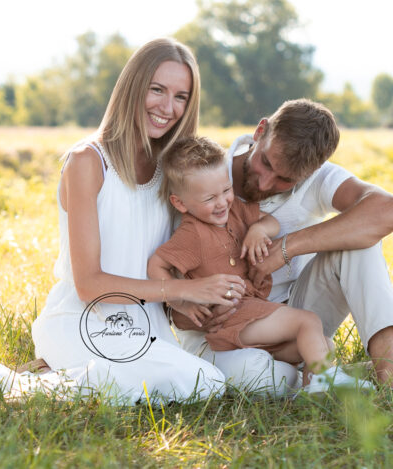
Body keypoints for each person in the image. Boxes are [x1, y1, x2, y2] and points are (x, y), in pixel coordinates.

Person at [0, 38, 236, 405]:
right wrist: (184, 291)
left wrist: (186, 301)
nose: (167, 108)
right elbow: (89, 284)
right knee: (196, 380)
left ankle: (43, 379)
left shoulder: (173, 172)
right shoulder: (88, 161)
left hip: (146, 328)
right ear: (133, 87)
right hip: (81, 320)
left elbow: (160, 257)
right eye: (157, 90)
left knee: (204, 383)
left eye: (181, 97)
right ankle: (0, 382)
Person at [171, 98, 393, 391]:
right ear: (261, 131)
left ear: (311, 172)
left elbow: (392, 211)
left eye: (284, 180)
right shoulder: (202, 176)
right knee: (258, 380)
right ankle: (321, 371)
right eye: (265, 163)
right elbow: (164, 270)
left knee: (362, 240)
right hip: (218, 328)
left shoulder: (317, 178)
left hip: (292, 317)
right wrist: (194, 306)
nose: (264, 184)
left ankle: (389, 370)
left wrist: (285, 248)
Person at [147, 137, 372, 394]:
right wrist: (181, 300)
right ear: (180, 203)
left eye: (225, 191)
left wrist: (258, 228)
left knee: (324, 345)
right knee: (307, 322)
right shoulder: (192, 235)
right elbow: (157, 264)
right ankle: (324, 379)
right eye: (210, 198)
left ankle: (315, 391)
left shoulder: (236, 211)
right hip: (232, 317)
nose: (222, 202)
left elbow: (272, 222)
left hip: (252, 312)